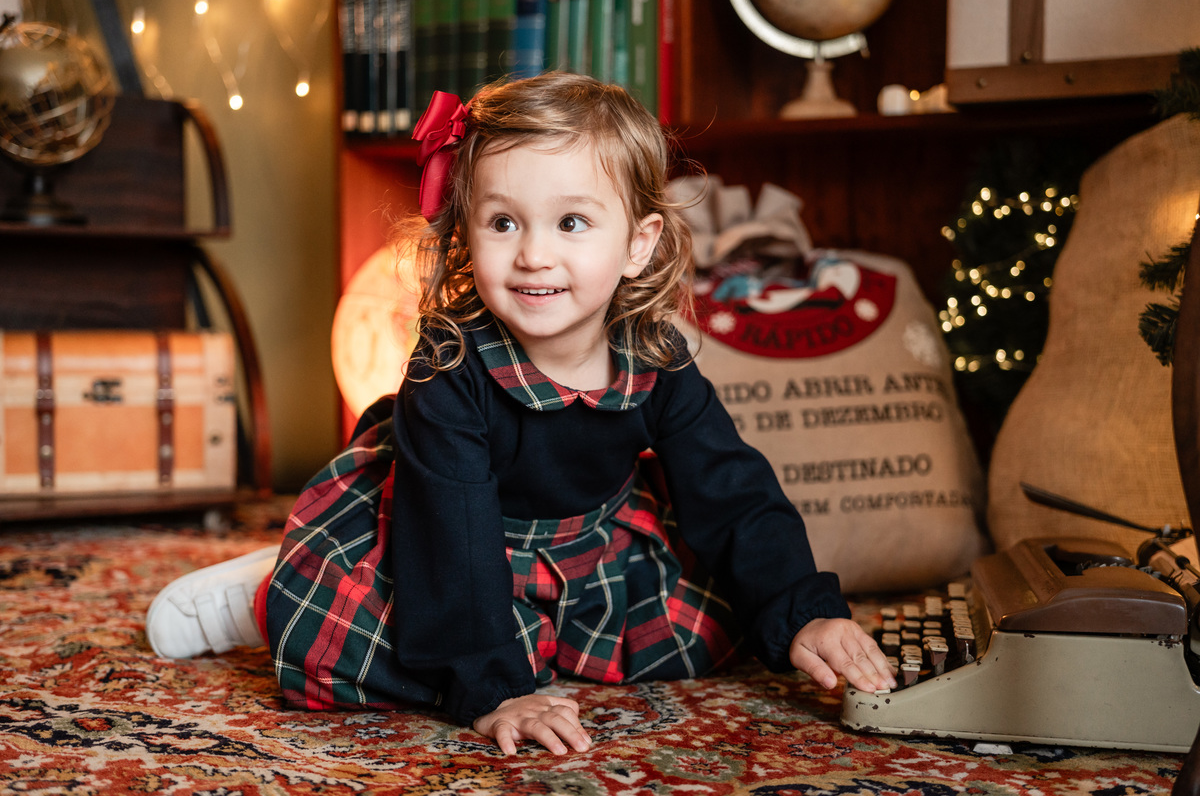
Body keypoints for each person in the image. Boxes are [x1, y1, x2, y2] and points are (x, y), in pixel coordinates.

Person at [145, 71, 896, 757]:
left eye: (571, 223)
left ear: (638, 245)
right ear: (465, 231)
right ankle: (261, 594)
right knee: (361, 641)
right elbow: (454, 542)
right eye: (503, 223)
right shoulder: (449, 370)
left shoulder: (656, 357)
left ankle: (546, 634)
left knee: (722, 617)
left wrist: (801, 609)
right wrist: (493, 690)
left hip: (589, 541)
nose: (534, 254)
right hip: (439, 538)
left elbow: (733, 490)